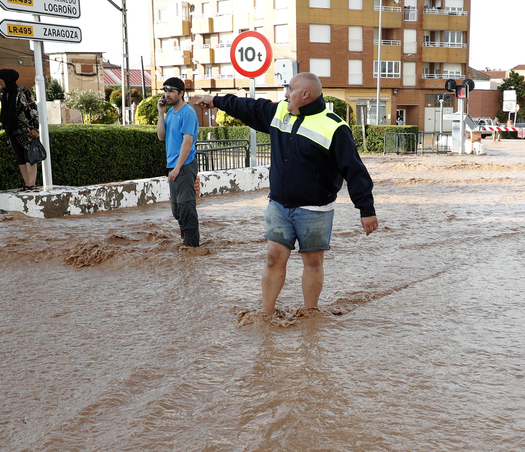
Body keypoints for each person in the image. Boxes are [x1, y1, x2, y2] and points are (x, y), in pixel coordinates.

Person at [192, 73, 377, 315]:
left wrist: (366, 210)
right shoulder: (280, 112)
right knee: (273, 259)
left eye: (290, 89)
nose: (286, 94)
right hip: (278, 205)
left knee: (312, 262)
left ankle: (310, 314)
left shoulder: (334, 127)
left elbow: (354, 169)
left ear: (305, 94)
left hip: (315, 210)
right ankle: (265, 315)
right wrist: (214, 100)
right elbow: (248, 107)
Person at [155, 76, 200, 248]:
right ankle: (185, 242)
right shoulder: (171, 113)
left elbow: (187, 143)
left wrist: (177, 169)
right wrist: (161, 113)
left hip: (184, 166)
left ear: (181, 93)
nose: (167, 94)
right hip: (173, 166)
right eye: (165, 91)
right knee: (177, 210)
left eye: (171, 91)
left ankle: (192, 249)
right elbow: (161, 136)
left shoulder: (187, 113)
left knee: (186, 208)